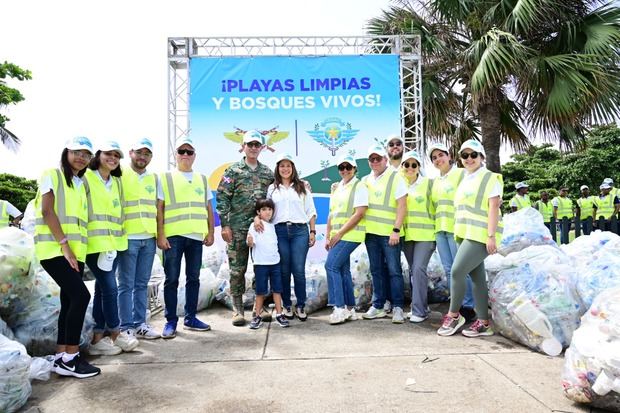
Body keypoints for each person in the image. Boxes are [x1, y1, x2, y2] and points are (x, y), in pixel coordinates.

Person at [34, 136, 100, 378]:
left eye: (86, 154)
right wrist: (64, 245)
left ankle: (62, 354)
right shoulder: (52, 174)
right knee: (81, 296)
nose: (81, 157)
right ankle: (71, 359)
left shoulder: (81, 183)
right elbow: (46, 210)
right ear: (66, 152)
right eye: (76, 152)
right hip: (55, 249)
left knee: (69, 301)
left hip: (75, 251)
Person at [437, 139, 502, 338]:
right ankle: (483, 322)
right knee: (477, 278)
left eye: (473, 154)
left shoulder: (490, 177)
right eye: (464, 155)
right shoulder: (465, 178)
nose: (469, 159)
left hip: (481, 235)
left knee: (456, 272)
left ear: (482, 157)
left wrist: (491, 236)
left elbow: (493, 207)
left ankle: (454, 315)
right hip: (465, 233)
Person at [83, 141, 137, 355]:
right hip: (93, 244)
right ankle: (115, 332)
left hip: (112, 246)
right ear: (98, 155)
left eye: (116, 155)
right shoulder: (86, 177)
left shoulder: (116, 182)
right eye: (108, 154)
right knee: (110, 287)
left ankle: (97, 338)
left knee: (102, 289)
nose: (112, 158)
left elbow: (120, 212)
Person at [157, 137, 215, 338]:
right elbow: (160, 208)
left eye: (189, 152)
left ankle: (190, 318)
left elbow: (208, 207)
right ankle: (171, 321)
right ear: (176, 154)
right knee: (171, 279)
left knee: (194, 278)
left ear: (194, 156)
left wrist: (211, 232)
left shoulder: (202, 178)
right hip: (173, 237)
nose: (185, 155)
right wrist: (161, 235)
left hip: (196, 237)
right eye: (182, 151)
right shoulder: (165, 178)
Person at [216, 130, 274, 326]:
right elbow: (222, 198)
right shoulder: (233, 171)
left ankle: (260, 307)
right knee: (237, 270)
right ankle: (238, 309)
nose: (253, 148)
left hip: (260, 230)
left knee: (261, 269)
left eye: (257, 145)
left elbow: (277, 194)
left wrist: (303, 185)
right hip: (237, 228)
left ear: (262, 147)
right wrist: (225, 225)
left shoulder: (267, 173)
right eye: (250, 144)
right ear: (243, 146)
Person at [117, 138, 161, 340]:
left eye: (147, 154)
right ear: (131, 153)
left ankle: (140, 323)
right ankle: (125, 326)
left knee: (142, 284)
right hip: (128, 237)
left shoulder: (154, 178)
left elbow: (159, 208)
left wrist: (159, 234)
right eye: (139, 153)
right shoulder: (119, 174)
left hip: (148, 238)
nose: (143, 157)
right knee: (126, 284)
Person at [427, 142, 476, 323]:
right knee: (449, 270)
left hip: (458, 229)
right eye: (434, 158)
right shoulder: (435, 182)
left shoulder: (460, 174)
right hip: (441, 230)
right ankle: (456, 305)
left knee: (462, 269)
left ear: (449, 156)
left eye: (441, 155)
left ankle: (469, 305)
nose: (438, 159)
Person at [266, 153, 317, 321]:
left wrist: (312, 231)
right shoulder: (272, 189)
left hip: (299, 232)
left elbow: (311, 211)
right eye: (282, 166)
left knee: (298, 270)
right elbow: (267, 211)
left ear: (293, 168)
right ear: (277, 168)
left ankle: (301, 305)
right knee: (284, 270)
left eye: (288, 166)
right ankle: (287, 304)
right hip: (279, 232)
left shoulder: (302, 187)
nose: (285, 169)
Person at [361, 145, 407, 323]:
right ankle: (378, 305)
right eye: (371, 159)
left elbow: (402, 206)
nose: (374, 162)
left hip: (390, 234)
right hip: (371, 234)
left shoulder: (397, 177)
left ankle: (397, 307)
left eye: (378, 159)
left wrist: (396, 230)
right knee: (376, 270)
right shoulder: (365, 180)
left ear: (385, 160)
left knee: (394, 271)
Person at [324, 155, 368, 325]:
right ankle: (350, 308)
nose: (344, 170)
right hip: (338, 234)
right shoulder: (338, 188)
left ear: (354, 169)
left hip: (351, 234)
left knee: (331, 265)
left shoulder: (359, 186)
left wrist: (339, 234)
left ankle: (339, 307)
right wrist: (328, 235)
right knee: (342, 270)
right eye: (341, 168)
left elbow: (359, 213)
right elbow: (332, 214)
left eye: (348, 167)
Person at [399, 150, 435, 323]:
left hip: (426, 235)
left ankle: (419, 311)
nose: (410, 168)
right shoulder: (400, 184)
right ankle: (421, 306)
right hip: (407, 236)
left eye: (414, 165)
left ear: (419, 167)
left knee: (419, 269)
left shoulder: (429, 184)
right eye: (407, 164)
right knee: (414, 271)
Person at [246, 198, 289, 329]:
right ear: (258, 212)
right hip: (260, 264)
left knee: (277, 290)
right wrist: (249, 241)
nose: (268, 212)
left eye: (270, 209)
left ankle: (279, 314)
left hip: (275, 263)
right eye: (264, 209)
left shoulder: (273, 226)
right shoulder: (255, 225)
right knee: (260, 291)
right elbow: (250, 242)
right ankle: (257, 316)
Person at [382, 134, 405, 313]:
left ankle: (413, 304)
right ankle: (388, 301)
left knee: (410, 268)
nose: (395, 147)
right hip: (390, 230)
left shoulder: (412, 165)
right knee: (387, 267)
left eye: (398, 144)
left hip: (411, 228)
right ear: (386, 150)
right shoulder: (383, 171)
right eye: (391, 144)